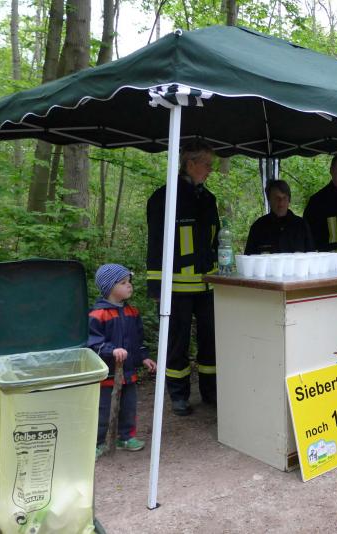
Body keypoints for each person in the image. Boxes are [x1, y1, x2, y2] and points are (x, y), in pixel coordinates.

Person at [146, 139, 219, 415]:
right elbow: (155, 245)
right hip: (175, 287)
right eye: (206, 164)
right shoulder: (163, 199)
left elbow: (214, 242)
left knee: (210, 340)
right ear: (190, 164)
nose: (210, 170)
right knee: (177, 342)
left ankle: (211, 392)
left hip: (208, 286)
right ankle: (178, 395)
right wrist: (156, 287)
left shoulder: (209, 200)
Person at [89, 264, 156, 458]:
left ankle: (126, 437)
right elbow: (93, 343)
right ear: (109, 287)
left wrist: (144, 357)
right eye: (123, 283)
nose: (129, 285)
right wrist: (111, 350)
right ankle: (97, 443)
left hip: (128, 373)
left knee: (129, 407)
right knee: (103, 410)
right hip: (107, 374)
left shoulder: (132, 312)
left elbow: (138, 340)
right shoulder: (97, 314)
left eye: (129, 282)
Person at [245, 180, 314, 255]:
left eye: (284, 197)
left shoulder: (302, 226)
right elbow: (248, 258)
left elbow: (312, 256)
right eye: (276, 198)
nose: (281, 202)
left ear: (289, 200)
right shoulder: (258, 227)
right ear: (269, 200)